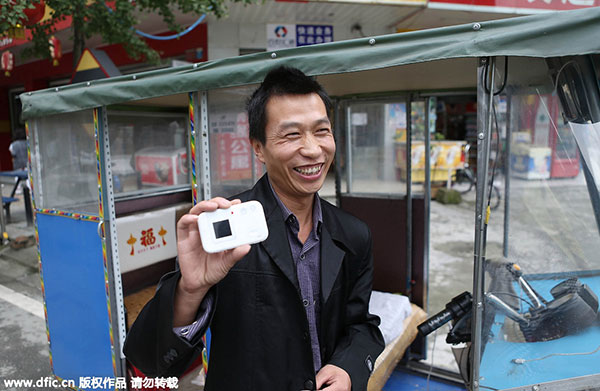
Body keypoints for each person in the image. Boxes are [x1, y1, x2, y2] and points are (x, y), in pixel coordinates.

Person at [124, 66, 384, 391]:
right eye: (291, 134)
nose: (313, 149)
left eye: (321, 131)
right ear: (258, 148)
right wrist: (189, 291)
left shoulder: (353, 233)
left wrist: (346, 370)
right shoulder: (225, 231)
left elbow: (361, 325)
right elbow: (151, 359)